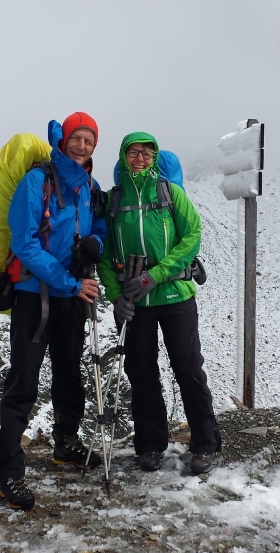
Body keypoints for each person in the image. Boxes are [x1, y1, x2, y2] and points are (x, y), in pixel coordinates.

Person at [0, 112, 107, 511]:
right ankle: (9, 472)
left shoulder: (90, 187)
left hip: (72, 296)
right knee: (24, 382)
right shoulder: (38, 180)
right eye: (76, 138)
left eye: (88, 141)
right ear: (63, 141)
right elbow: (25, 243)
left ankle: (66, 444)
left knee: (68, 374)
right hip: (35, 295)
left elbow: (99, 229)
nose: (82, 146)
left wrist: (96, 240)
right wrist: (70, 282)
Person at [96, 132, 222, 475]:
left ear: (154, 158)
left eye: (147, 154)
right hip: (136, 303)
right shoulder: (113, 200)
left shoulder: (170, 193)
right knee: (142, 373)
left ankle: (205, 445)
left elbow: (191, 238)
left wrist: (154, 275)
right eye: (134, 153)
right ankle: (150, 446)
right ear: (124, 156)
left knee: (188, 369)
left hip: (175, 297)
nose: (140, 158)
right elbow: (105, 256)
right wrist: (116, 296)